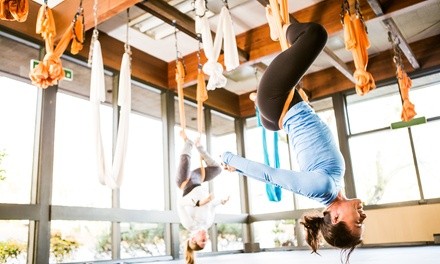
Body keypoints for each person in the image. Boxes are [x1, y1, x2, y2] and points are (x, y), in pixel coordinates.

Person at [221, 19, 366, 263]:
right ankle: (284, 29)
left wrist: (231, 160)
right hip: (283, 112)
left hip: (277, 98)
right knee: (302, 41)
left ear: (338, 218)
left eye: (358, 222)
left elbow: (271, 175)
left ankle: (285, 24)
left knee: (316, 34)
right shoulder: (334, 186)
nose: (364, 216)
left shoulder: (322, 189)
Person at [176, 130, 229, 264]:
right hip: (197, 180)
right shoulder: (209, 222)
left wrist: (199, 202)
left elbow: (180, 204)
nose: (206, 238)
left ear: (193, 239)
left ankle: (187, 140)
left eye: (203, 240)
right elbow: (211, 205)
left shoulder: (189, 225)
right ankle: (200, 147)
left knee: (186, 156)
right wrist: (221, 201)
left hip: (184, 183)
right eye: (206, 240)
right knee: (217, 169)